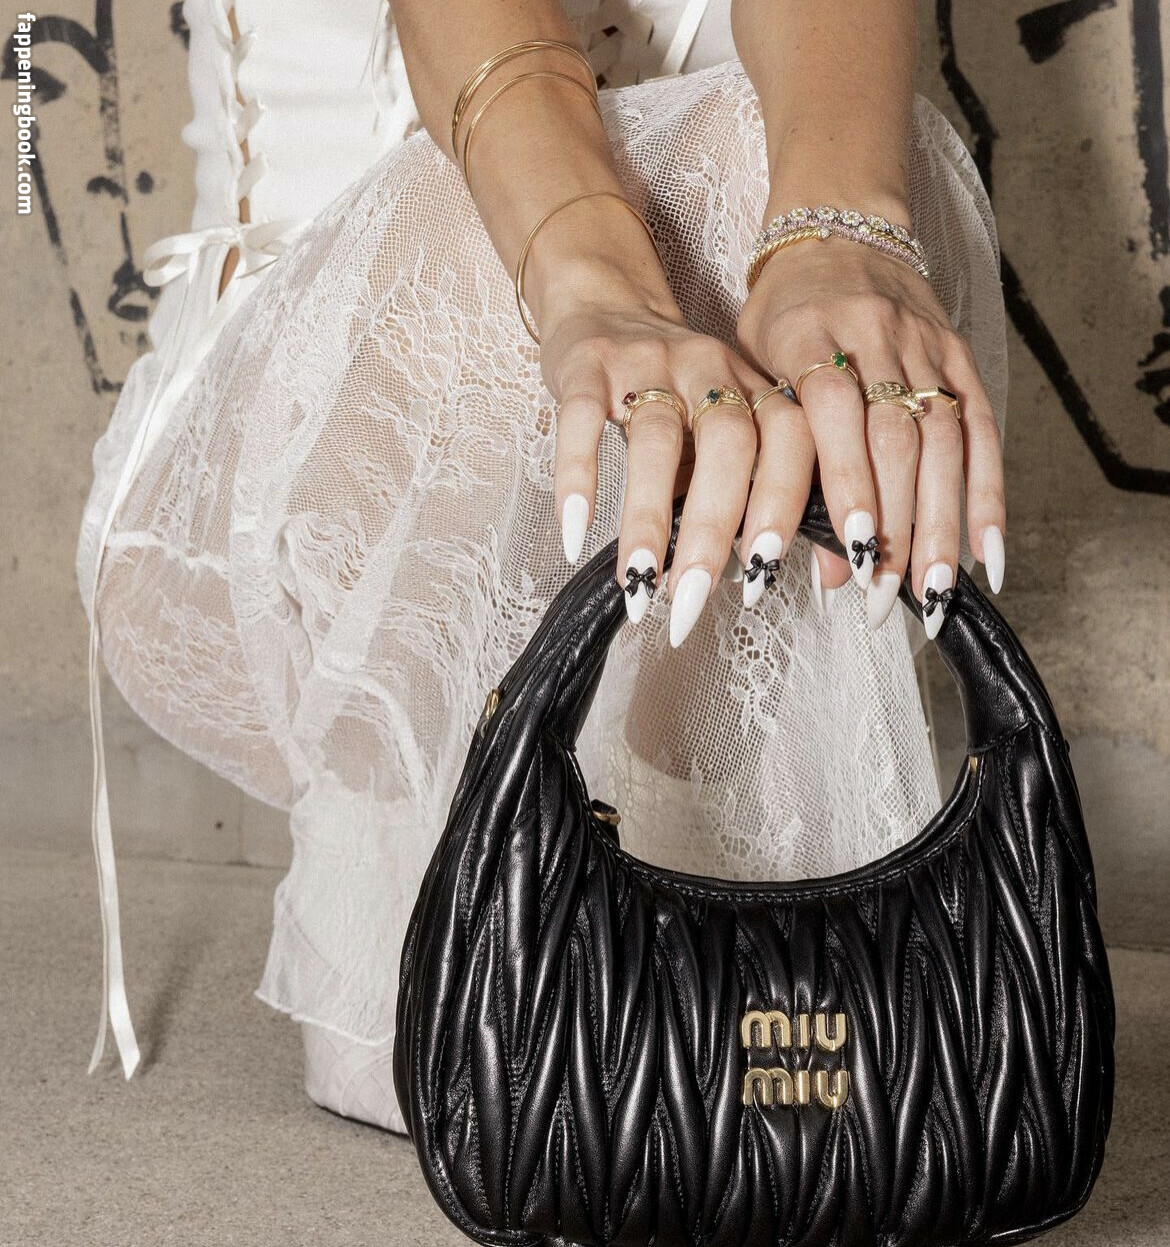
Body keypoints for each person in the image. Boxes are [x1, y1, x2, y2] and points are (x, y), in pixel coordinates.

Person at [76, 0, 1008, 1134]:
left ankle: (748, 889)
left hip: (723, 460)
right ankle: (431, 881)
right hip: (284, 500)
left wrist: (838, 240)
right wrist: (591, 289)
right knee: (504, 198)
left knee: (829, 175)